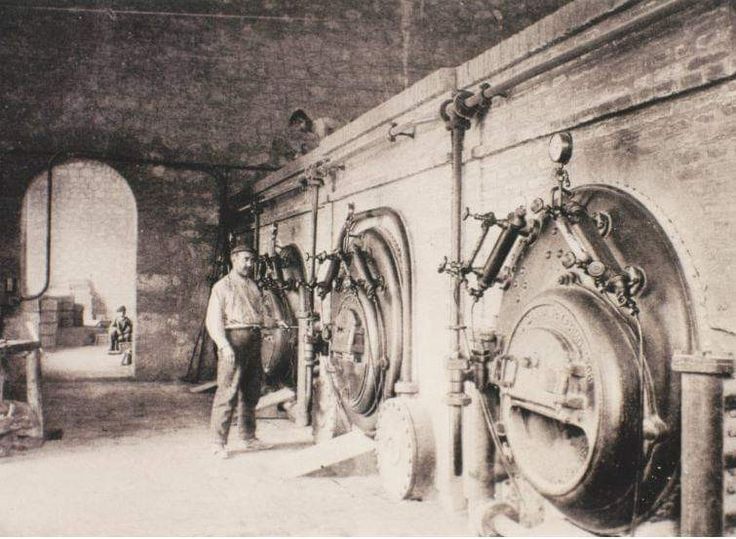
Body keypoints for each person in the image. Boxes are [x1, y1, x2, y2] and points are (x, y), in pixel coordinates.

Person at [205, 240, 270, 459]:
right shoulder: (222, 286)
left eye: (252, 260)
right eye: (246, 259)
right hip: (233, 340)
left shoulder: (252, 285)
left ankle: (248, 436)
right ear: (234, 260)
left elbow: (259, 314)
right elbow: (213, 320)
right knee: (227, 391)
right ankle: (218, 442)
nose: (250, 264)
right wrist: (224, 345)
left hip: (253, 339)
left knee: (251, 392)